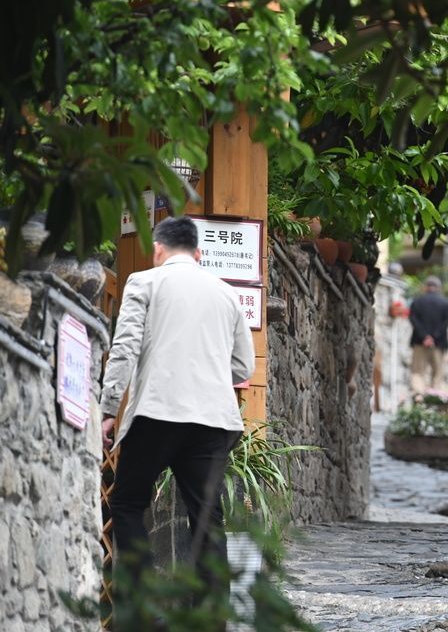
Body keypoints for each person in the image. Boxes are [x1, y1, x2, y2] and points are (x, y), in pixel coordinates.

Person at [100, 216, 255, 622]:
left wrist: (107, 409)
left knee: (128, 502)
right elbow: (243, 366)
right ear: (199, 253)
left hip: (158, 412)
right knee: (207, 516)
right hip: (213, 420)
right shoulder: (226, 294)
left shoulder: (144, 282)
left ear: (158, 249)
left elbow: (125, 349)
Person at [408, 275, 448, 393]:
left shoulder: (416, 302)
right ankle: (435, 397)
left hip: (419, 342)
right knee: (437, 372)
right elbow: (445, 323)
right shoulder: (445, 304)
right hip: (439, 343)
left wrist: (424, 336)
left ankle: (418, 397)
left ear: (425, 287)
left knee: (418, 371)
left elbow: (413, 320)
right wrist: (433, 337)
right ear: (438, 288)